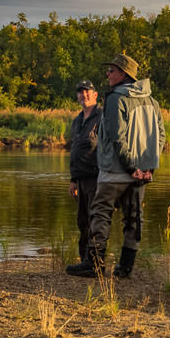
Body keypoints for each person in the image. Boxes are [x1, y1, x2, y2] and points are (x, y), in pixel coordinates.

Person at [66, 54, 165, 278]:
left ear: (123, 74)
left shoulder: (115, 100)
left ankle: (94, 265)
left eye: (111, 70)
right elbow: (160, 137)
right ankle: (125, 267)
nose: (107, 74)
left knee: (100, 214)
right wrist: (147, 167)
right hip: (142, 172)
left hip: (115, 171)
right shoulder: (152, 102)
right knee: (133, 217)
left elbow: (116, 137)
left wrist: (130, 167)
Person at [68, 79, 101, 265]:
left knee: (95, 219)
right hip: (80, 179)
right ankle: (84, 260)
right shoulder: (77, 120)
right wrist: (73, 180)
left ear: (95, 95)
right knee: (82, 221)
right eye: (80, 92)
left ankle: (94, 261)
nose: (83, 95)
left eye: (87, 91)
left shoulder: (102, 116)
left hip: (96, 177)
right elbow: (75, 151)